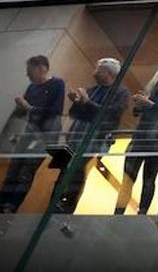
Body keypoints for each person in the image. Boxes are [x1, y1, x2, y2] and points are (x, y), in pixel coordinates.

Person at [0, 55, 65, 213]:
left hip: (45, 135)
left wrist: (29, 107)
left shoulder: (57, 84)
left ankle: (10, 207)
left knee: (26, 172)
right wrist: (22, 107)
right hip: (29, 133)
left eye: (30, 70)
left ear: (41, 69)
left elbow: (55, 110)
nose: (27, 74)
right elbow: (25, 113)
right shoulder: (31, 88)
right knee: (12, 170)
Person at [52, 57, 130, 213]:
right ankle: (53, 203)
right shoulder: (91, 89)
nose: (94, 72)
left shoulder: (121, 93)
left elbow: (111, 114)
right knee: (64, 169)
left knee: (78, 168)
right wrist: (77, 101)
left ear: (108, 73)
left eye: (98, 69)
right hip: (76, 135)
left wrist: (87, 103)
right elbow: (74, 113)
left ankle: (67, 206)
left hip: (95, 138)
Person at [115, 66, 158, 214]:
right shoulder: (150, 93)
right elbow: (136, 113)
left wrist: (148, 103)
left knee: (149, 179)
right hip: (140, 139)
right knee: (128, 179)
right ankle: (118, 212)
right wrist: (139, 103)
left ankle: (142, 213)